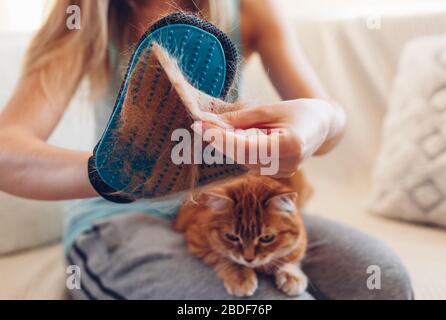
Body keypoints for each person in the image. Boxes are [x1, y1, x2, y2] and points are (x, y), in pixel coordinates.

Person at [0, 0, 412, 299]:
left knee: (383, 281)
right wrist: (117, 173)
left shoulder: (249, 9)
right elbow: (6, 152)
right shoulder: (82, 18)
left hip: (223, 208)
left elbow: (329, 119)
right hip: (121, 215)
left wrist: (318, 123)